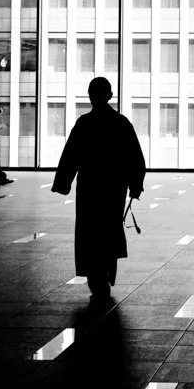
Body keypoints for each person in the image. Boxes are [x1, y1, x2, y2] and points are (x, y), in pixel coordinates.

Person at [51, 77, 146, 307]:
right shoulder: (121, 123)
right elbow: (135, 157)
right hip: (113, 186)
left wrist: (64, 182)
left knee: (89, 231)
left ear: (91, 96)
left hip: (89, 185)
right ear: (110, 95)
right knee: (109, 229)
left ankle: (96, 280)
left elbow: (70, 155)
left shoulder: (84, 123)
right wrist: (135, 185)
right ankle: (106, 275)